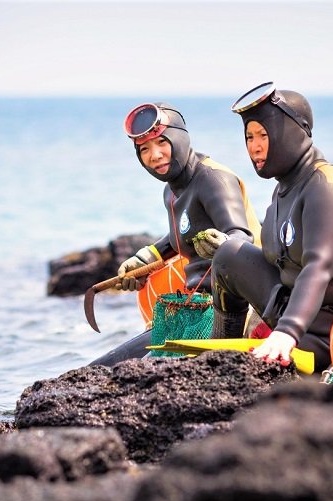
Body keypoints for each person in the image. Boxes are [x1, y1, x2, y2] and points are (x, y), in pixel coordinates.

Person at [209, 82, 333, 373]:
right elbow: (274, 259)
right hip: (298, 310)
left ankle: (273, 343)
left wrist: (285, 333)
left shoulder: (326, 187)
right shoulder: (284, 189)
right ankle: (220, 347)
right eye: (249, 136)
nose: (255, 146)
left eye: (264, 135)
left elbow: (318, 267)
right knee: (229, 255)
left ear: (292, 132)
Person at [89, 101, 260, 366]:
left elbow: (241, 237)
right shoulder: (171, 189)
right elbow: (182, 234)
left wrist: (224, 244)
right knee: (102, 367)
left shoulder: (213, 179)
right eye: (144, 149)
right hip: (194, 310)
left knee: (135, 373)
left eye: (161, 143)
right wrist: (146, 258)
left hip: (236, 312)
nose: (154, 155)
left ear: (179, 139)